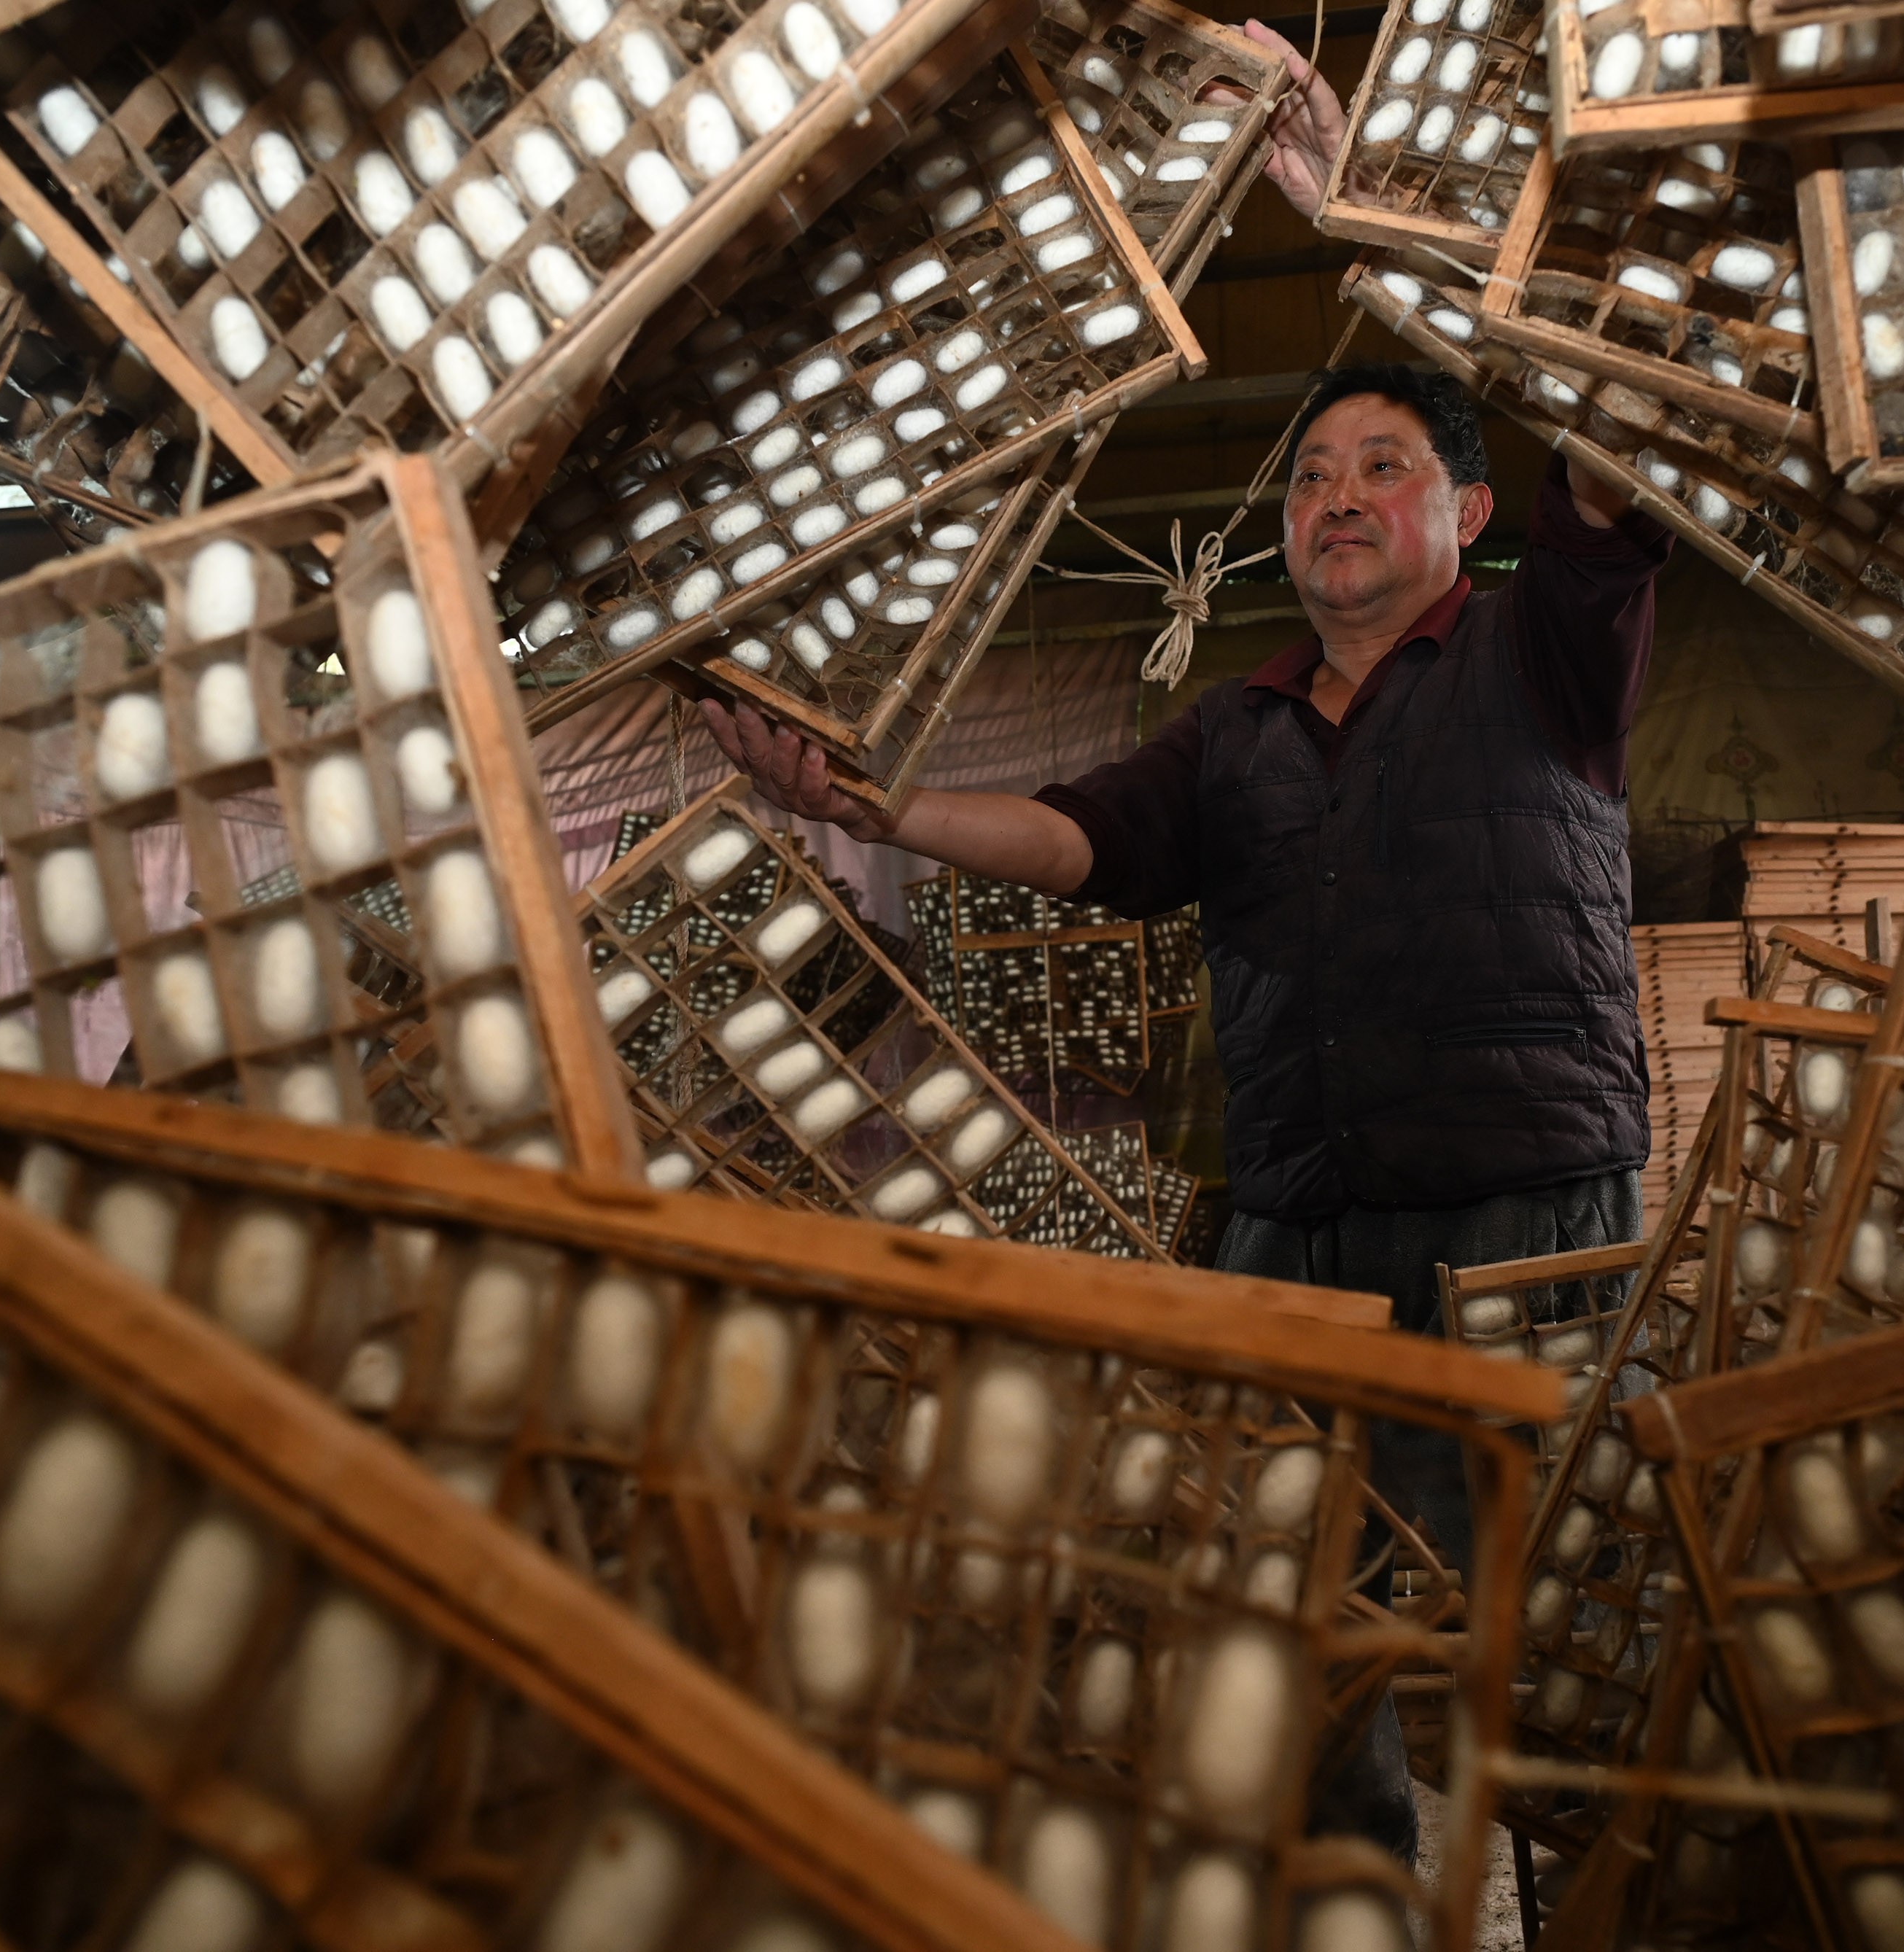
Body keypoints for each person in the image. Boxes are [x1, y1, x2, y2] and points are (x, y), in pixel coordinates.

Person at [698, 32, 1674, 1864]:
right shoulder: (1232, 731)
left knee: (1544, 1633)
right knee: (1294, 1624)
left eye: (1381, 467)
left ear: (1467, 514)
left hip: (1522, 1212)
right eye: (1310, 477)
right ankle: (1359, 1904)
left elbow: (1616, 429)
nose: (1329, 498)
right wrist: (875, 809)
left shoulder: (1552, 652)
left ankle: (1592, 1896)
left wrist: (1368, 221)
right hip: (1290, 1234)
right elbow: (1076, 840)